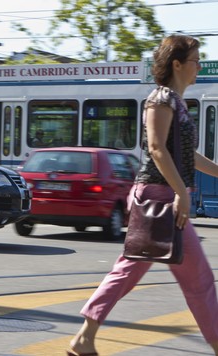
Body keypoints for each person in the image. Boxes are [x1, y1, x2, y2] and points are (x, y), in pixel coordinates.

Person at [68, 34, 218, 356]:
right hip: (158, 197)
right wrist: (183, 193)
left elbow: (187, 154)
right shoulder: (160, 99)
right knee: (199, 281)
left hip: (163, 196)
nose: (199, 66)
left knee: (127, 272)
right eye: (195, 60)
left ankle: (84, 338)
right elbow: (156, 149)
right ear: (177, 64)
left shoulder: (176, 102)